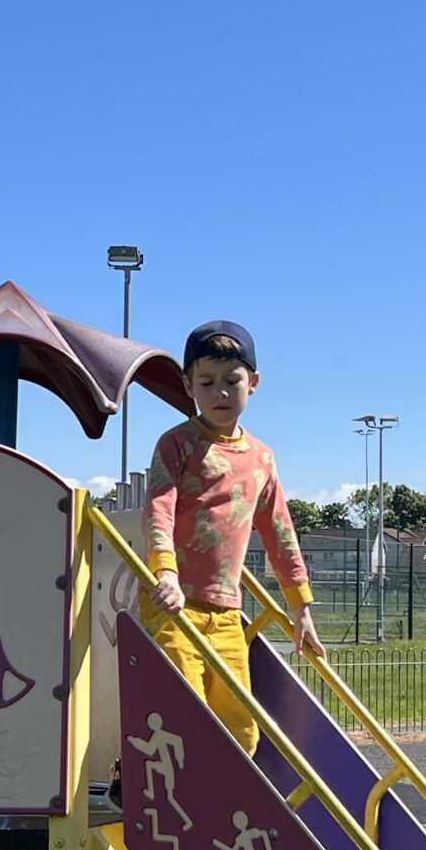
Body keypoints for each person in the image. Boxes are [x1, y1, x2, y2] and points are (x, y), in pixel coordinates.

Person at [143, 320, 322, 754]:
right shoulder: (178, 444)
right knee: (183, 711)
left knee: (242, 729)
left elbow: (280, 533)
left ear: (253, 383)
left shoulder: (261, 458)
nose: (220, 392)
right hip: (174, 606)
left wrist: (300, 607)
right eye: (206, 382)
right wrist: (163, 573)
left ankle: (219, 812)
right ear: (188, 385)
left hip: (225, 611)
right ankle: (129, 772)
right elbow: (158, 511)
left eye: (232, 380)